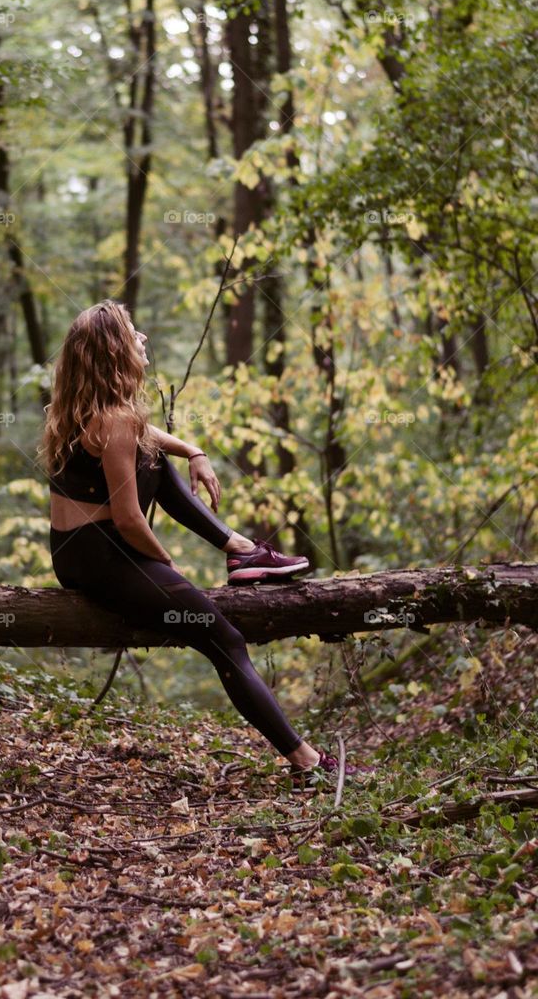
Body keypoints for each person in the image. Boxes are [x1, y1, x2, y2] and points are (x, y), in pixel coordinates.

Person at [36, 299, 374, 786]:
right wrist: (167, 565)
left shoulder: (92, 410)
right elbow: (129, 521)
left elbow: (140, 436)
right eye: (133, 332)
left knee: (157, 455)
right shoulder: (116, 420)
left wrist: (193, 449)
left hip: (76, 553)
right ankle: (307, 762)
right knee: (224, 638)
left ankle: (241, 551)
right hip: (105, 556)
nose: (143, 338)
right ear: (113, 350)